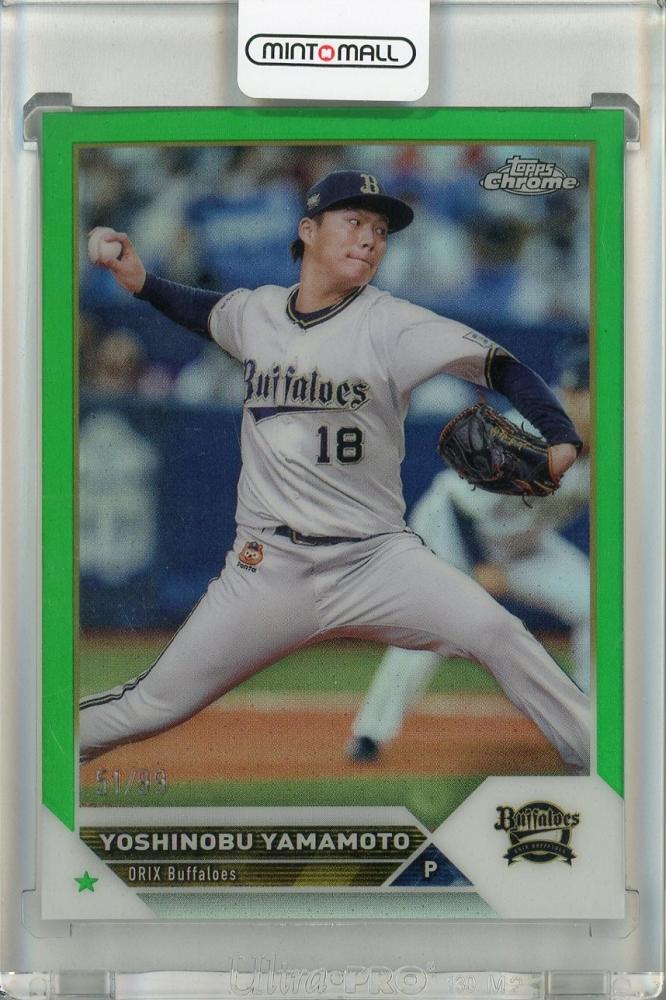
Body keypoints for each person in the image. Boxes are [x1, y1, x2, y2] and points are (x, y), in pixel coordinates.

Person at [79, 169, 589, 774]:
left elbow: (500, 366)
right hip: (268, 567)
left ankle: (603, 762)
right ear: (308, 230)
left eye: (381, 230)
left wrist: (559, 434)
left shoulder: (394, 324)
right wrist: (140, 282)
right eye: (354, 222)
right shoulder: (255, 313)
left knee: (497, 633)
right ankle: (46, 750)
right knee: (154, 705)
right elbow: (201, 310)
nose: (370, 238)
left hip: (376, 560)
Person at [347, 363, 591, 764]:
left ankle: (588, 715)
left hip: (521, 543)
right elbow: (461, 505)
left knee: (591, 602)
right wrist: (479, 566)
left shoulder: (613, 449)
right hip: (452, 531)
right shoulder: (526, 435)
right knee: (434, 627)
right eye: (578, 395)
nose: (581, 404)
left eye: (591, 397)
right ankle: (370, 733)